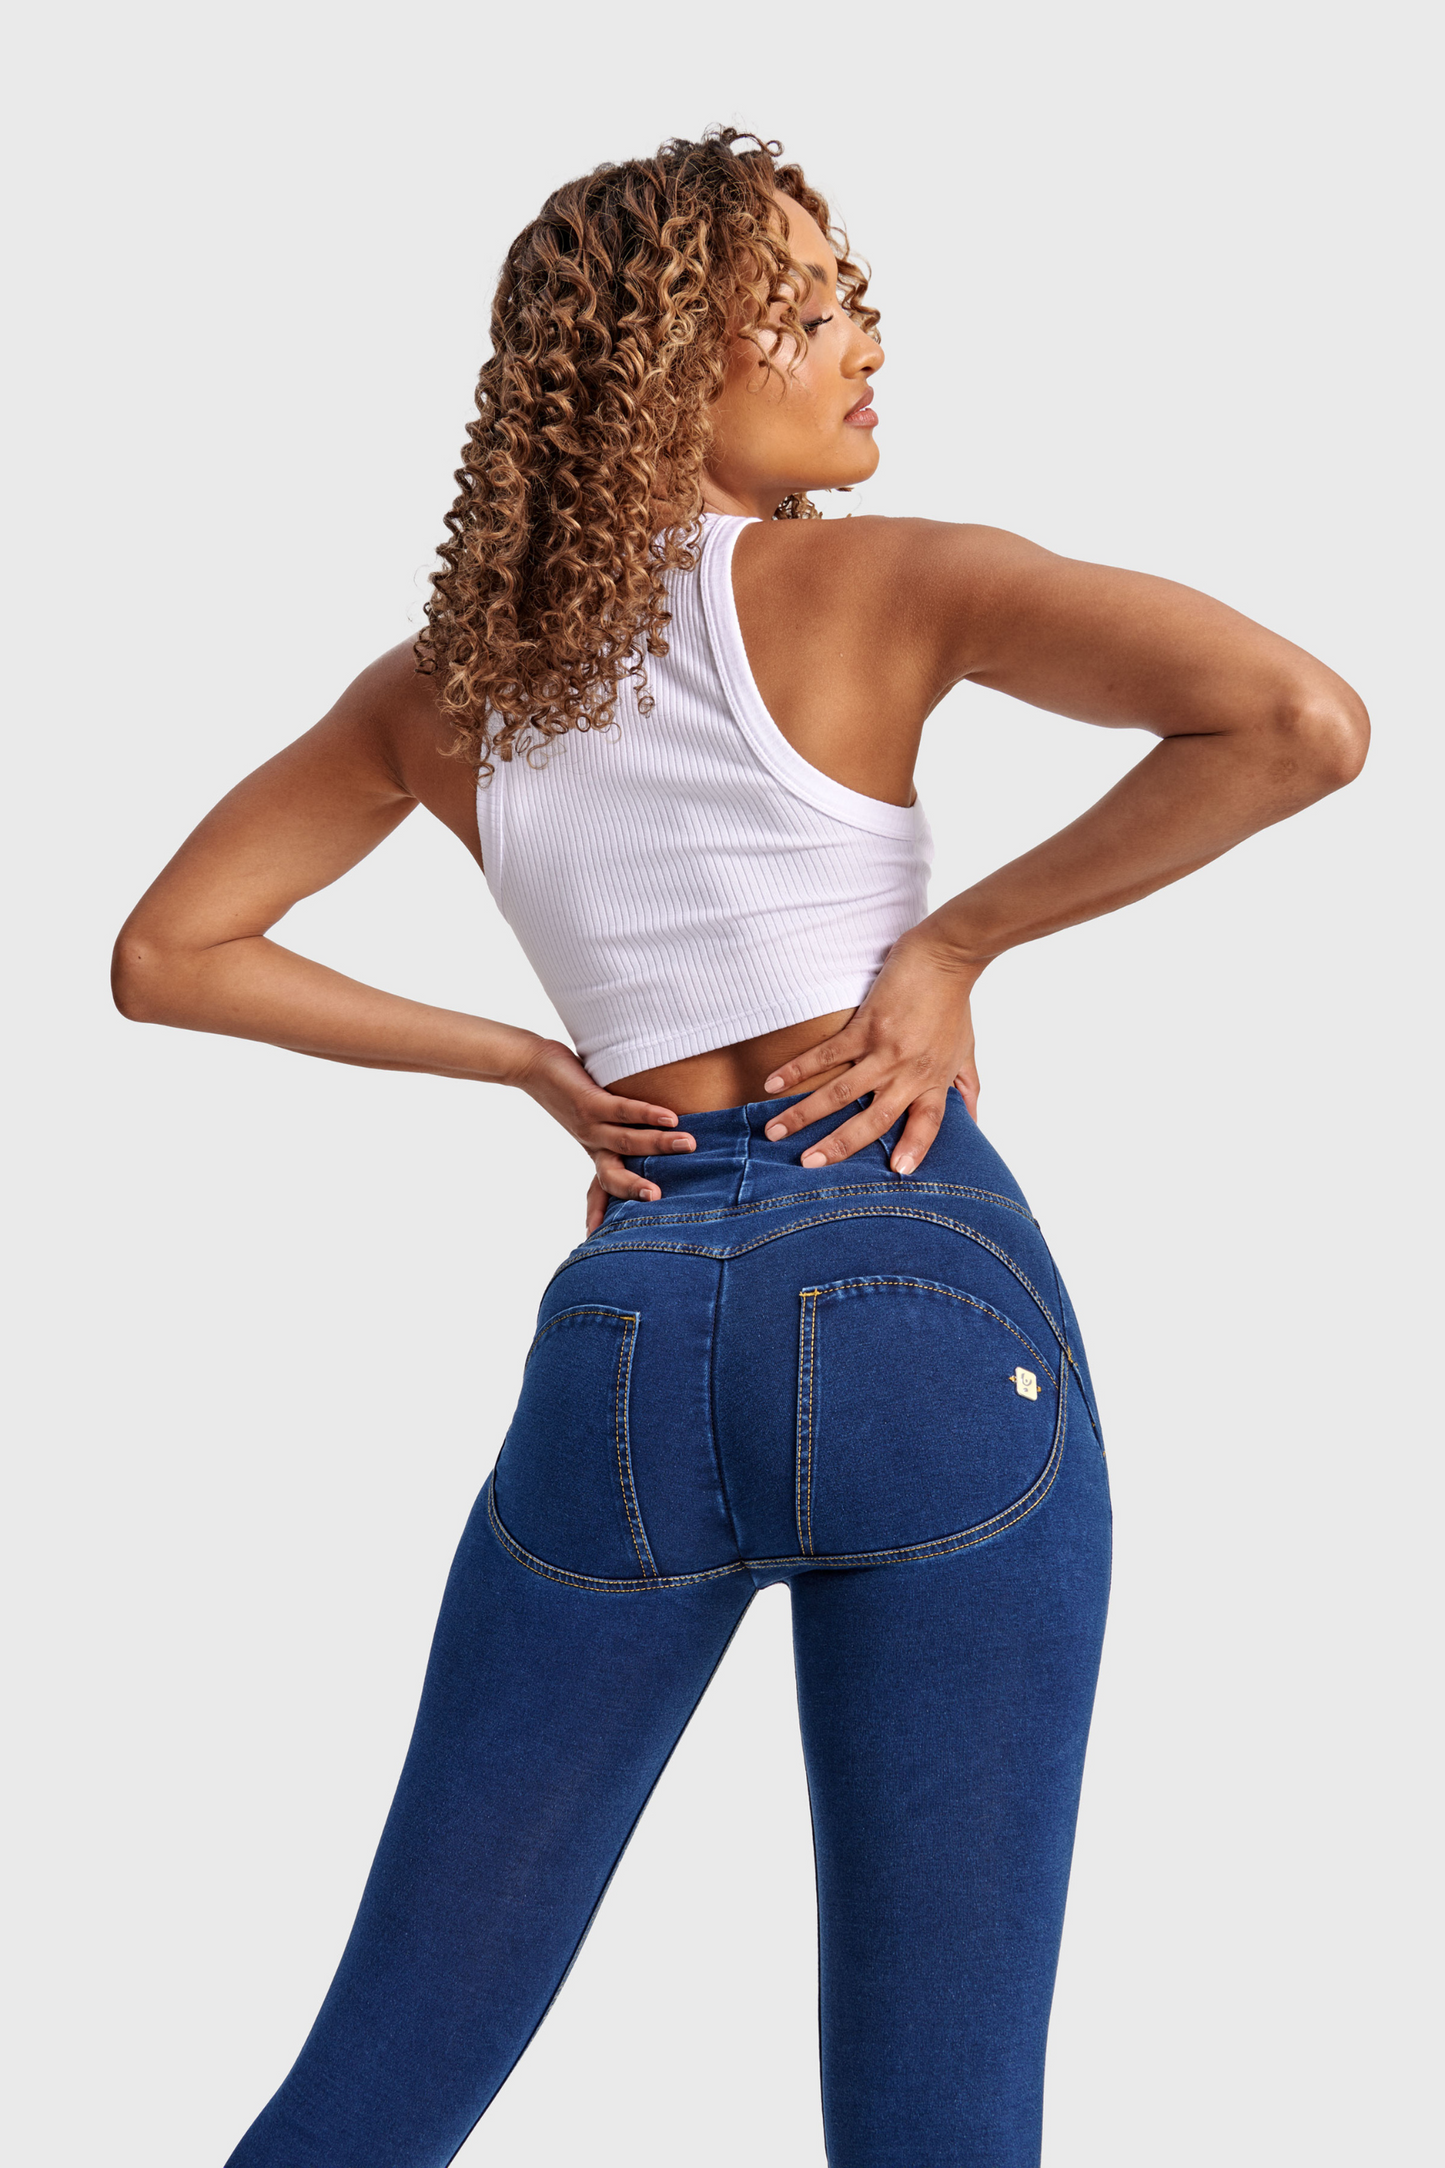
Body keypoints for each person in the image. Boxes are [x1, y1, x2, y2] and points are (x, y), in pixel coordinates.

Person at [112, 128, 1368, 2168]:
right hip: (915, 1279)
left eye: (852, 295)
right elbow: (1298, 722)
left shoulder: (438, 695)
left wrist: (527, 1062)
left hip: (634, 1316)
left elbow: (169, 954)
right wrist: (951, 947)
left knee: (373, 2090)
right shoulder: (883, 578)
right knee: (939, 2121)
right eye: (799, 309)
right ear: (664, 365)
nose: (863, 340)